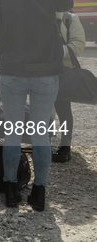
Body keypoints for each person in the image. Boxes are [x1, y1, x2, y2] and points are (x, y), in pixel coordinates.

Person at [0, 0, 74, 211]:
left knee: (12, 133)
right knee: (41, 134)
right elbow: (69, 2)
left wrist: (6, 62)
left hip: (12, 71)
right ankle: (38, 193)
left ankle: (9, 190)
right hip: (45, 72)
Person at [52, 10, 85, 163]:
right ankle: (43, 143)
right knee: (39, 109)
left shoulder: (69, 18)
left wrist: (59, 51)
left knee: (63, 110)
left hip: (61, 73)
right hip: (38, 72)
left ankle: (65, 146)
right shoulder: (36, 13)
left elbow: (78, 43)